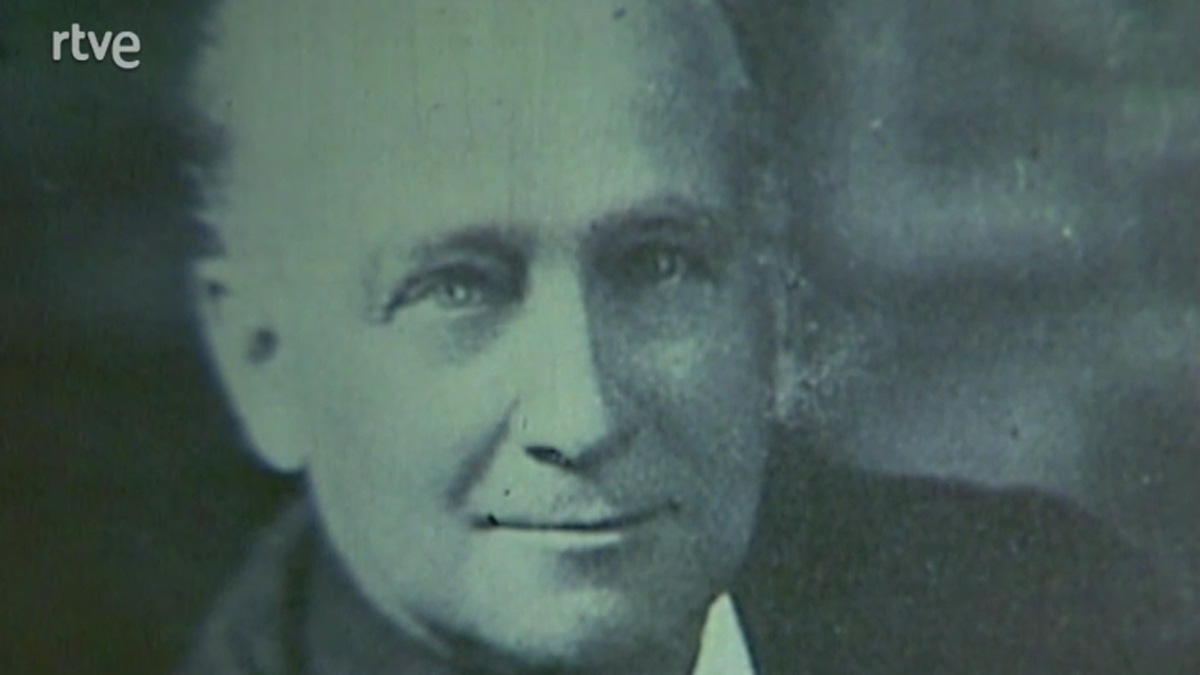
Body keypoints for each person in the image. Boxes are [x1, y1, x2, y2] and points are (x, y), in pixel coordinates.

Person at [178, 1, 1181, 673]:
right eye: (458, 288)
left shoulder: (1063, 621)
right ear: (264, 359)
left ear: (773, 310)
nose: (581, 414)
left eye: (658, 264)